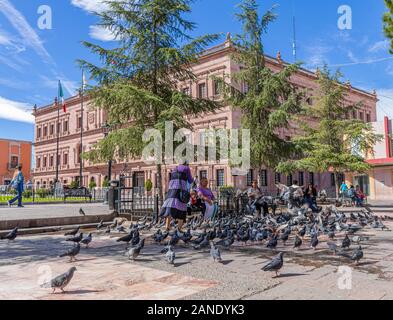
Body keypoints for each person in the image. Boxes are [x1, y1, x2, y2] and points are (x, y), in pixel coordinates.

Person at [160, 161, 193, 231]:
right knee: (182, 209)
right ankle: (179, 228)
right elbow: (190, 180)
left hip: (171, 191)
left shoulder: (175, 169)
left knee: (170, 208)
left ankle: (167, 226)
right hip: (180, 191)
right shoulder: (186, 168)